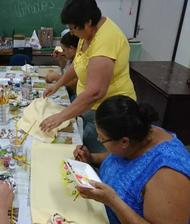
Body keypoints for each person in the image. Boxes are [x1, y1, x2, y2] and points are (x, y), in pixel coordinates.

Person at [40, 0, 136, 153]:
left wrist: (61, 117)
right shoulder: (87, 33)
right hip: (91, 111)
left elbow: (95, 92)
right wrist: (58, 84)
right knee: (86, 150)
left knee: (102, 159)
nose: (71, 32)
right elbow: (78, 66)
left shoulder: (106, 40)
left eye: (73, 28)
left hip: (111, 114)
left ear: (88, 21)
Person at [73, 95, 190, 224]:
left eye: (101, 139)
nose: (98, 140)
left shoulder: (168, 173)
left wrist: (113, 202)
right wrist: (91, 158)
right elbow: (118, 159)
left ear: (124, 141)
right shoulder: (136, 134)